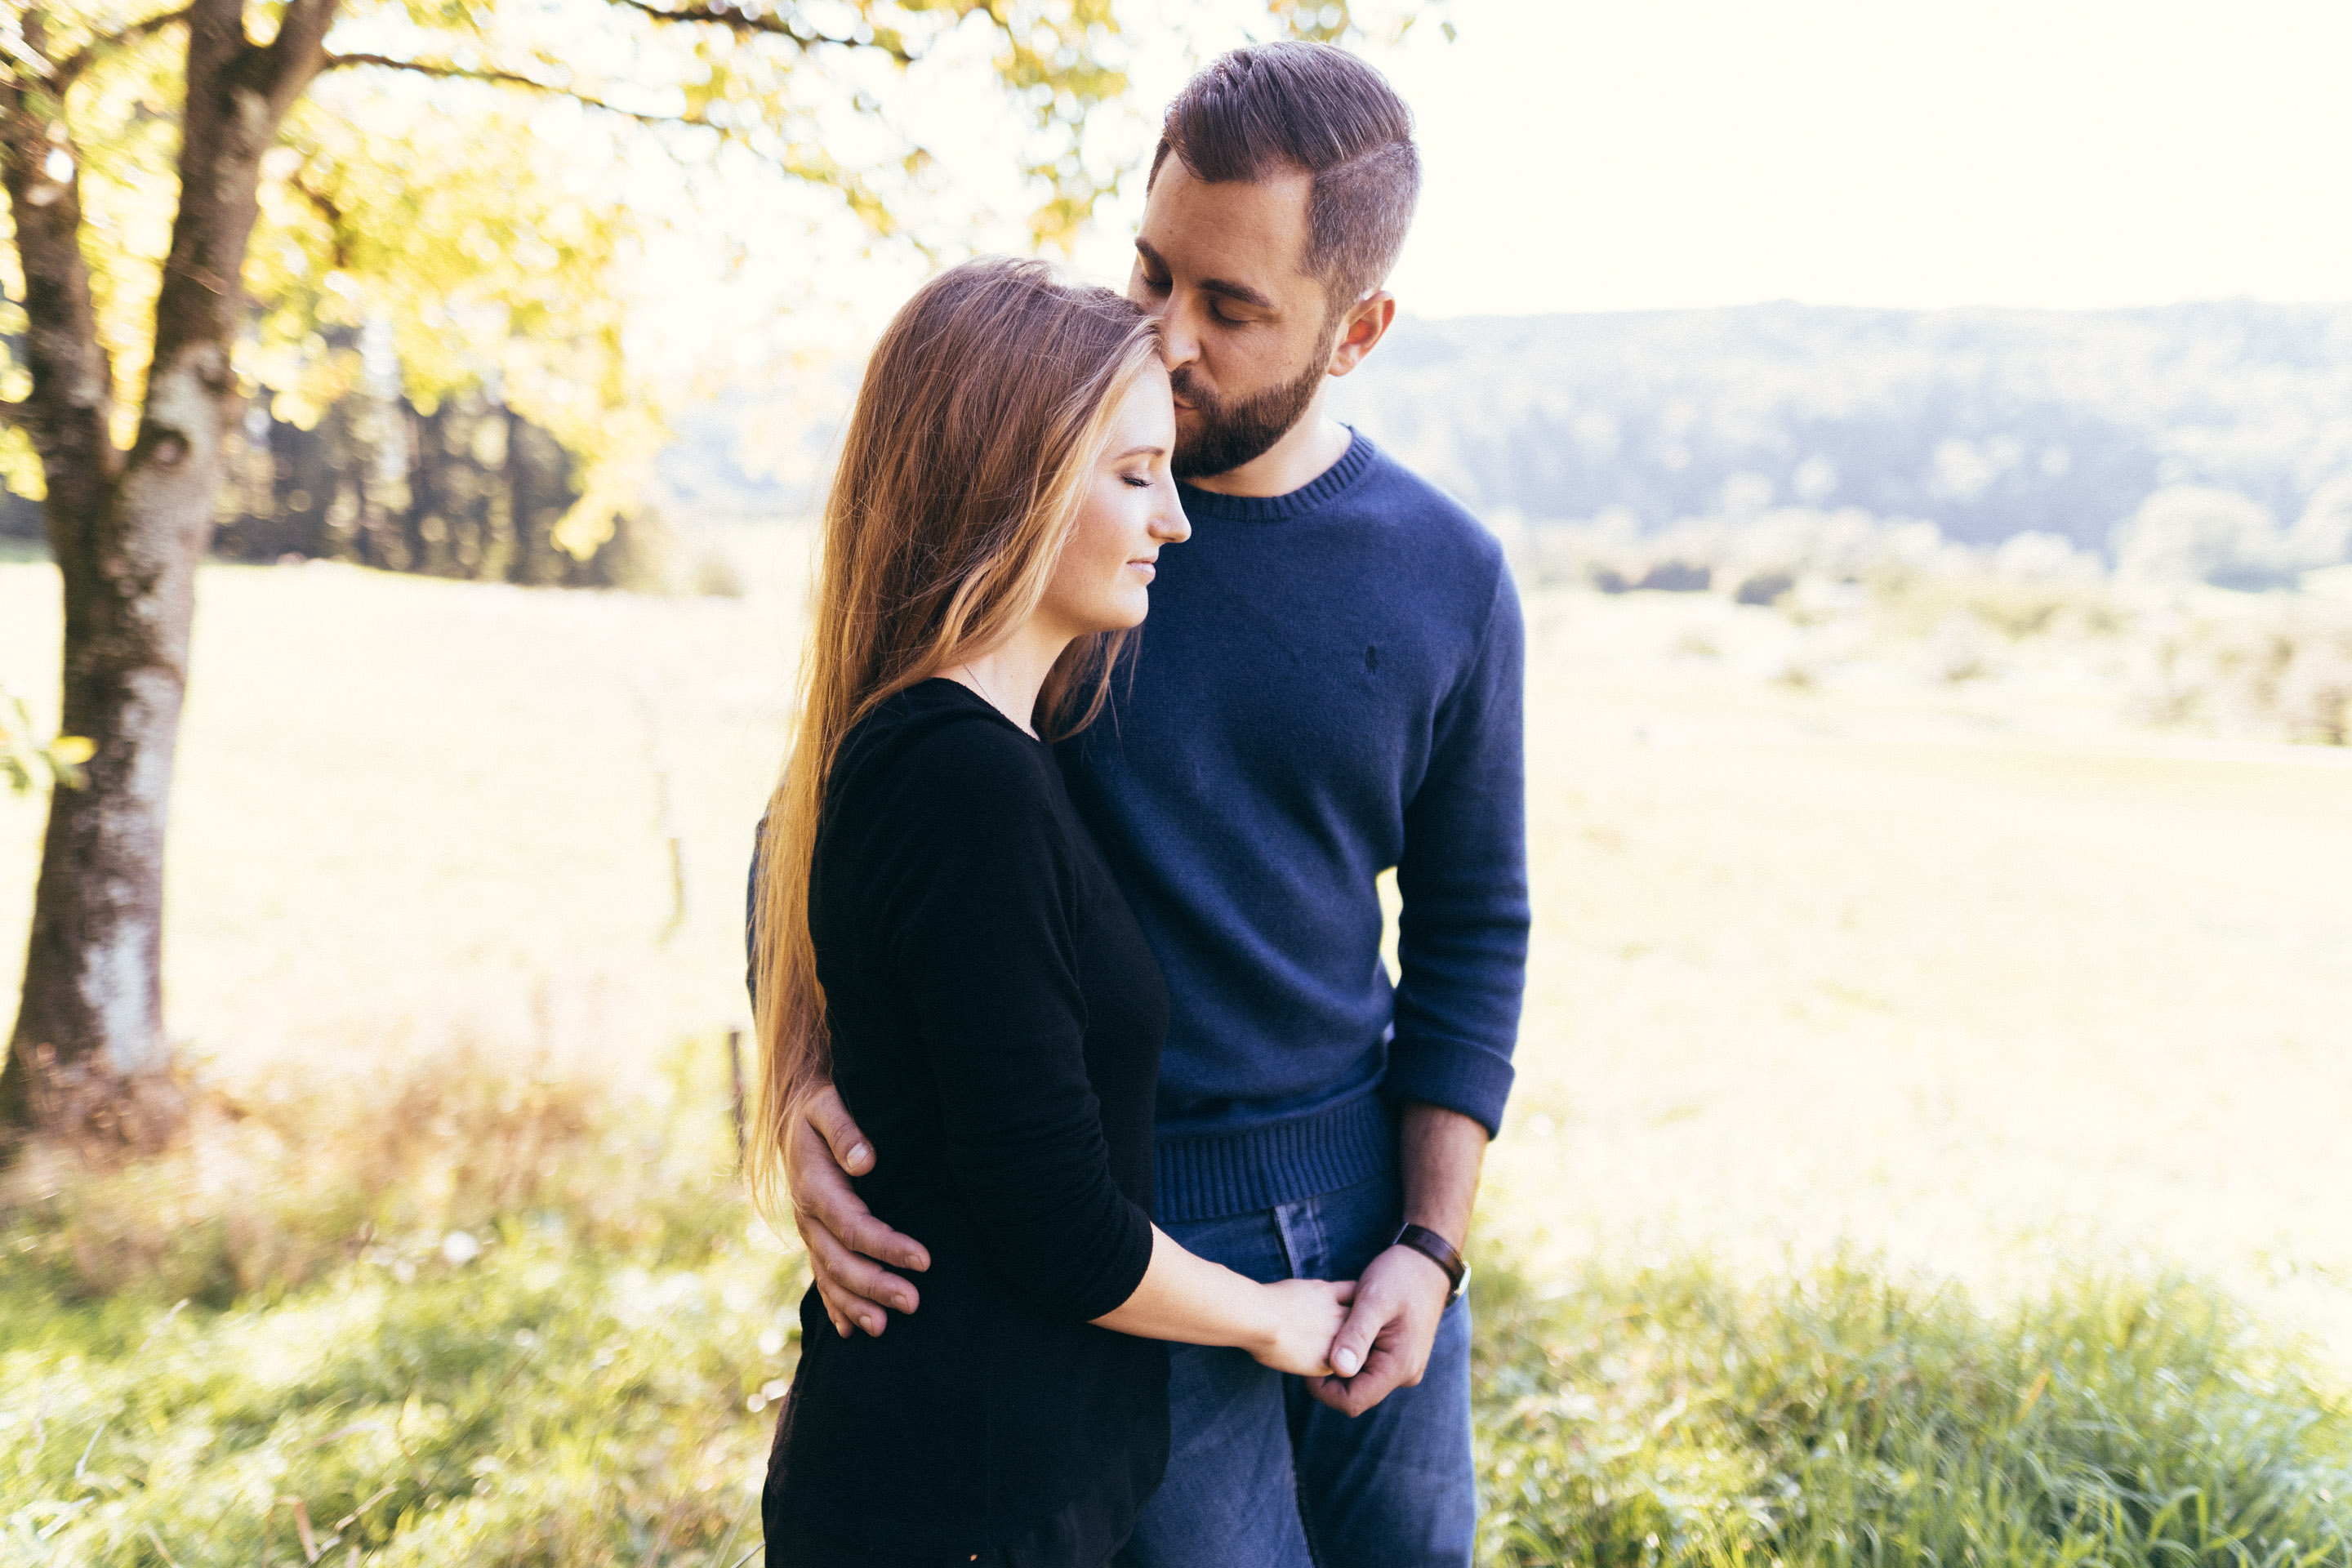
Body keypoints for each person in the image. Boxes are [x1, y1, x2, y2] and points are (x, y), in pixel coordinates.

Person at [780, 43, 1529, 1568]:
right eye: (1152, 271)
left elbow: (1475, 924)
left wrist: (1431, 1242)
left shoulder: (1449, 574)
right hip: (1117, 1226)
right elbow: (834, 819)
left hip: (1367, 1200)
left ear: (1358, 330)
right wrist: (804, 1090)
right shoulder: (1056, 522)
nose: (1167, 336)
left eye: (1231, 308)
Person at [744, 256, 1357, 1567]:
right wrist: (1274, 1318)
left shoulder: (989, 754)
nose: (1175, 522)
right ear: (1009, 484)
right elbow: (1061, 1228)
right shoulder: (963, 781)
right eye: (1135, 475)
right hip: (952, 1508)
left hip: (1003, 1485)